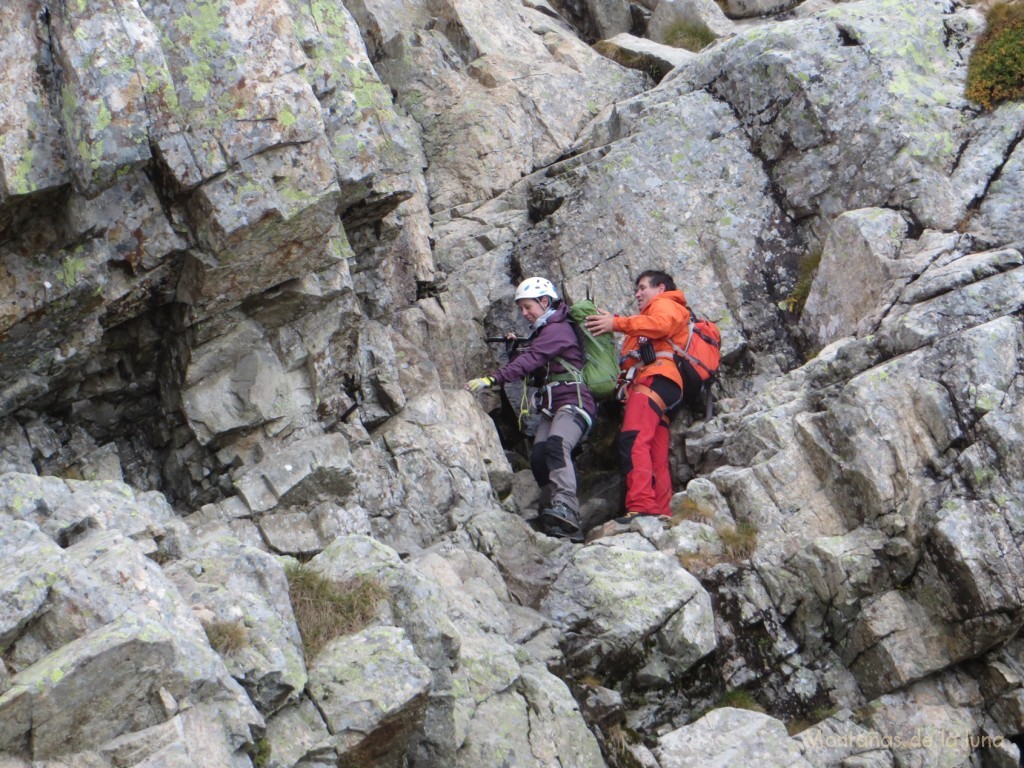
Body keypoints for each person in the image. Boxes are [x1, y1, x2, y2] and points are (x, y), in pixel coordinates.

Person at [466, 277, 596, 542]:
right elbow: (535, 370)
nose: (524, 314)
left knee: (557, 445)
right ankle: (554, 514)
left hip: (575, 401)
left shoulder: (557, 330)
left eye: (528, 307)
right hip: (555, 406)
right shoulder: (544, 332)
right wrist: (515, 354)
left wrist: (494, 378)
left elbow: (532, 359)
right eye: (522, 309)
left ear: (544, 302)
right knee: (539, 456)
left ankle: (567, 507)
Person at [584, 270, 689, 528]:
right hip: (665, 385)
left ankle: (641, 505)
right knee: (654, 448)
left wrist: (617, 323)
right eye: (637, 289)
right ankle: (663, 509)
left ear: (660, 288)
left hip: (654, 378)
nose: (637, 293)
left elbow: (661, 326)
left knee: (633, 440)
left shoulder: (664, 304)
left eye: (643, 287)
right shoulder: (647, 317)